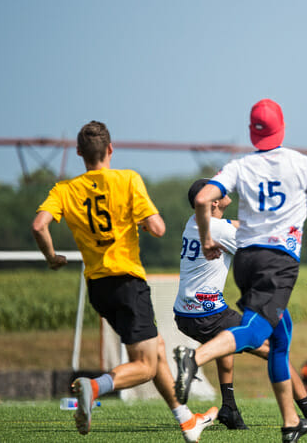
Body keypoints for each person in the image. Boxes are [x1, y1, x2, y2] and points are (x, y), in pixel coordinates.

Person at [30, 120, 217, 442]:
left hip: (98, 289)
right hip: (128, 283)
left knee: (156, 348)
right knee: (144, 366)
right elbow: (158, 228)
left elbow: (38, 226)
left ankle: (186, 420)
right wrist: (142, 222)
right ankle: (93, 386)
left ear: (79, 153)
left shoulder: (64, 190)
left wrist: (51, 257)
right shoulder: (128, 180)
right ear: (110, 149)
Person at [173, 99, 307, 442]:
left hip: (247, 261)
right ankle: (195, 358)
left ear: (253, 132)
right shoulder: (299, 163)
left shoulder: (240, 166)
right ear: (283, 127)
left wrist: (206, 238)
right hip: (276, 261)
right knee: (255, 330)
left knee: (281, 338)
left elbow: (204, 199)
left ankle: (293, 422)